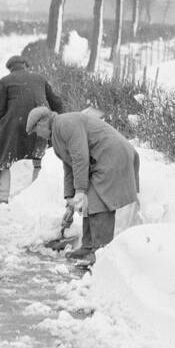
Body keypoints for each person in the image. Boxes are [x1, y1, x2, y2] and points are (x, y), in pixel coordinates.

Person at [26, 105, 140, 265]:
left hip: (112, 155)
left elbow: (80, 157)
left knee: (99, 202)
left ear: (42, 123)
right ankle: (88, 246)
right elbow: (69, 166)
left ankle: (101, 252)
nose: (38, 136)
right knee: (88, 202)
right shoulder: (57, 132)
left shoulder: (65, 124)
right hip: (100, 159)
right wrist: (70, 199)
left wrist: (80, 190)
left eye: (36, 131)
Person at [0, 55, 65, 202]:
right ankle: (37, 194)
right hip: (41, 123)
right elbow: (57, 103)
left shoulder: (4, 81)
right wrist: (56, 118)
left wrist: (6, 124)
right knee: (39, 155)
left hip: (14, 125)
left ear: (10, 68)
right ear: (26, 66)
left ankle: (2, 195)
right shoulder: (40, 78)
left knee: (3, 155)